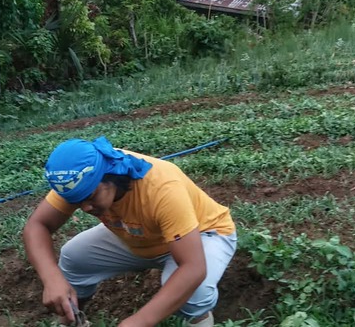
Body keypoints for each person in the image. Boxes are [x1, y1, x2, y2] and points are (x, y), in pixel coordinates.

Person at [23, 137, 236, 327]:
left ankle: (200, 320)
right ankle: (72, 318)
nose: (86, 208)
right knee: (73, 258)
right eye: (76, 201)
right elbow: (37, 226)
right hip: (139, 234)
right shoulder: (77, 179)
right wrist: (52, 279)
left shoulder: (162, 188)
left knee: (194, 293)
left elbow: (194, 267)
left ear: (108, 176)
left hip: (204, 234)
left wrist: (138, 321)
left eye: (91, 197)